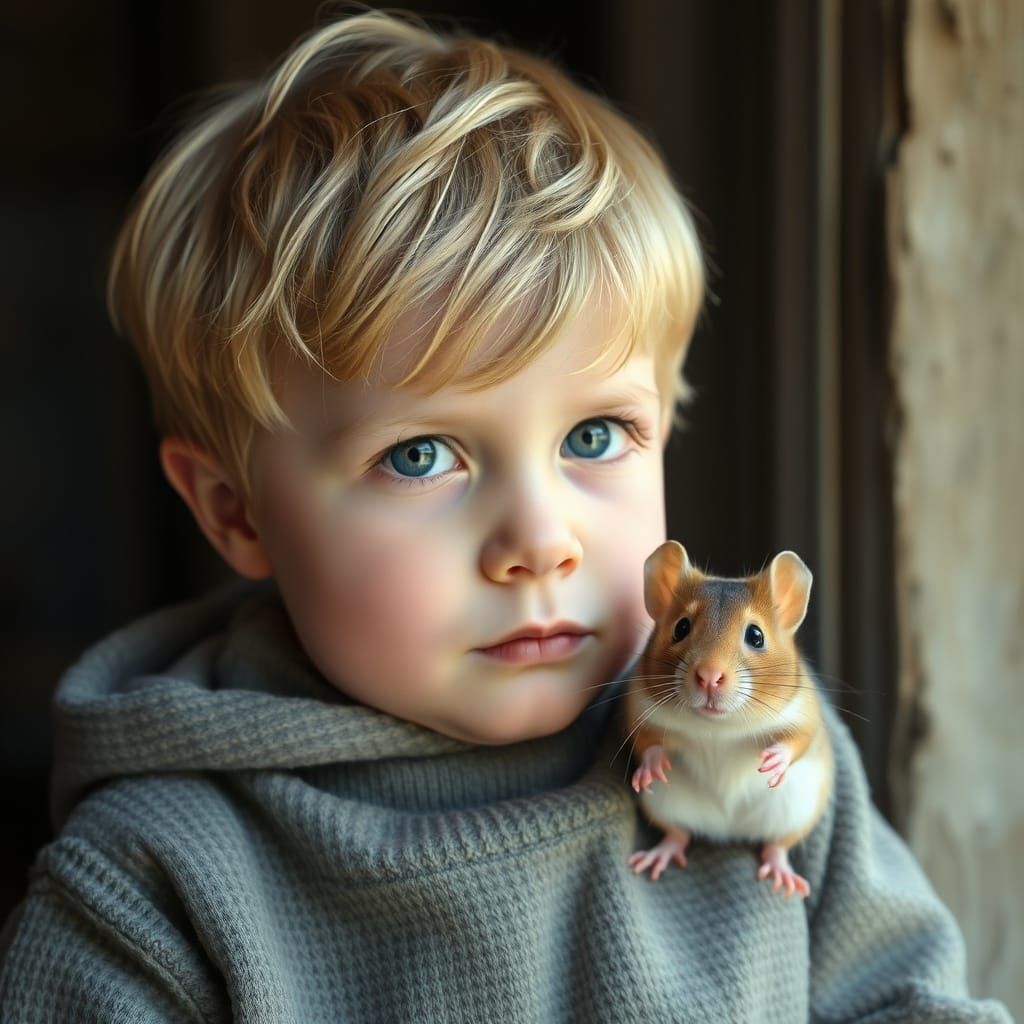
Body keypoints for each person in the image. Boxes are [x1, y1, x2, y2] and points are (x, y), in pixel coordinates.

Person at [0, 8, 1010, 1021]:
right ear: (236, 510)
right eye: (420, 455)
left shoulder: (753, 749)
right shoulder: (151, 886)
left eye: (592, 437)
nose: (539, 543)